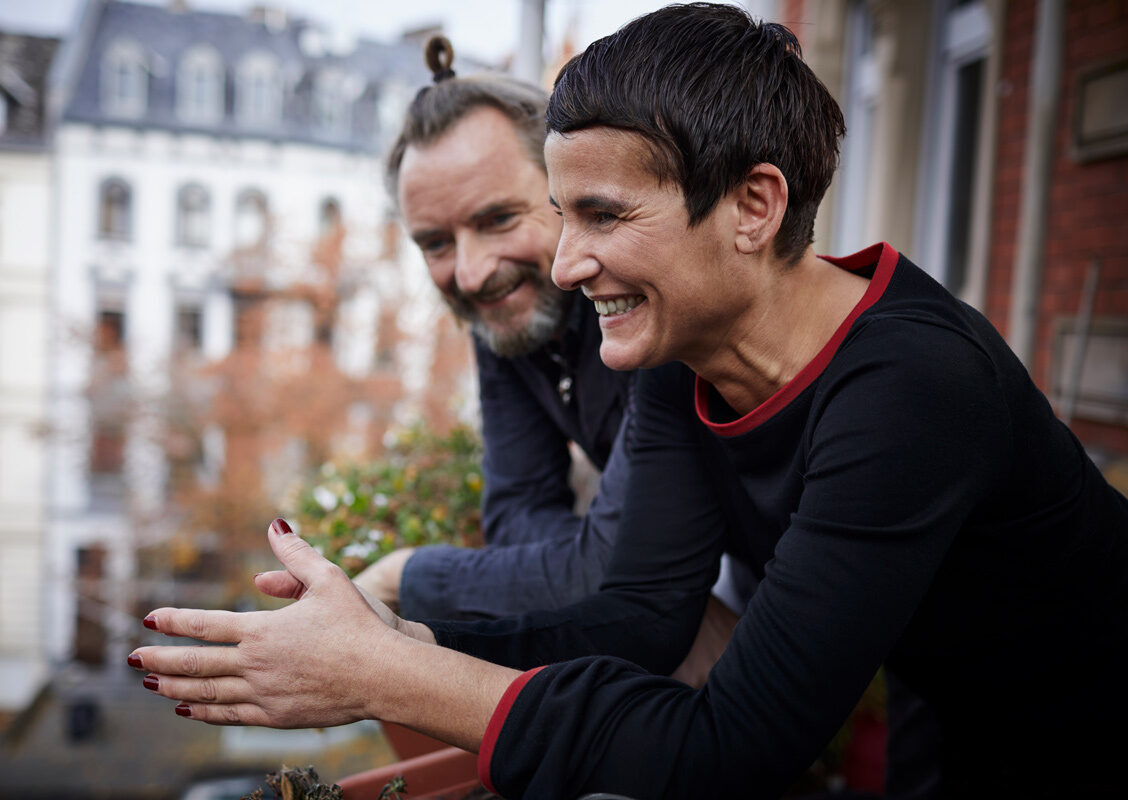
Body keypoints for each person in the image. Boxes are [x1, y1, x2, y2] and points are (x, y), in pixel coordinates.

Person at [128, 5, 1128, 799]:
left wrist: (386, 673)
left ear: (754, 206)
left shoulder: (912, 388)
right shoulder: (680, 354)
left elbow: (724, 749)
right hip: (946, 709)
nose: (565, 263)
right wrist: (393, 641)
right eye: (564, 216)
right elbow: (637, 610)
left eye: (601, 215)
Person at [353, 36, 635, 621]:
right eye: (435, 243)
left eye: (499, 219)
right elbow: (518, 510)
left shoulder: (640, 298)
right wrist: (577, 569)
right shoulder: (509, 314)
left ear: (569, 192)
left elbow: (625, 567)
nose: (473, 273)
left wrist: (403, 576)